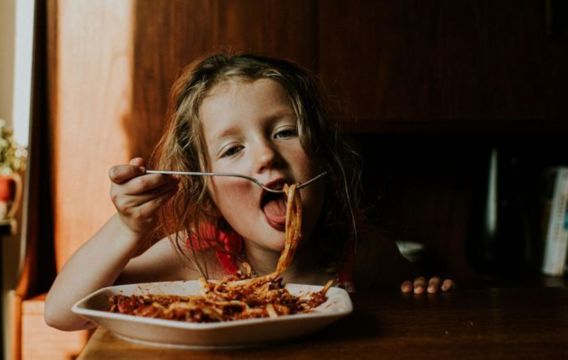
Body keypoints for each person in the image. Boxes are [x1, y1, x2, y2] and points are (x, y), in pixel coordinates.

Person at [44, 53, 454, 331]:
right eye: (233, 149)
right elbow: (64, 313)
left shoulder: (362, 253)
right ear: (207, 188)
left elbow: (409, 309)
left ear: (326, 159)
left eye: (285, 132)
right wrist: (126, 228)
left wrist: (425, 292)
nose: (266, 156)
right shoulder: (196, 257)